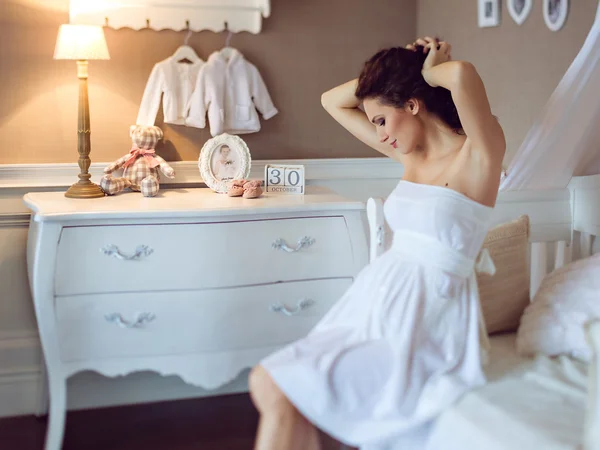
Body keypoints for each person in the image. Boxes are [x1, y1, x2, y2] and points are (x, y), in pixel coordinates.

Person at [249, 36, 506, 450]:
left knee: (279, 387)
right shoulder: (410, 158)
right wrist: (393, 70)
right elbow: (331, 101)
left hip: (429, 318)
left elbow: (462, 75)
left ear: (412, 104)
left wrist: (427, 70)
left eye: (381, 121)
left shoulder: (477, 155)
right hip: (375, 304)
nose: (379, 134)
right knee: (270, 384)